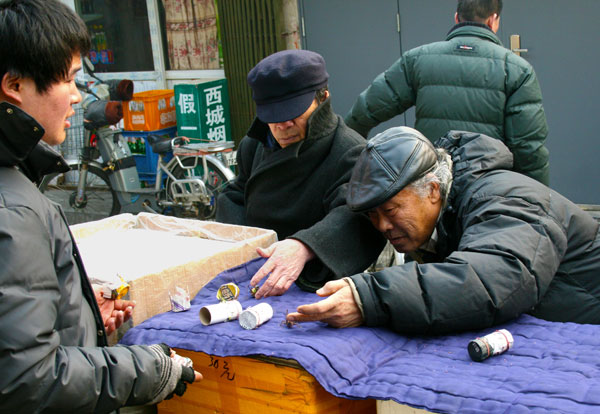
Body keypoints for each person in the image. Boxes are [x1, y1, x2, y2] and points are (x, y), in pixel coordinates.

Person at [0, 1, 200, 412]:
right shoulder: (13, 209)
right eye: (69, 79)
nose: (76, 97)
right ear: (15, 86)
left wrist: (78, 310)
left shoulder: (16, 181)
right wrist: (151, 368)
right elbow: (28, 380)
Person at [287, 126, 600, 334]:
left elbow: (489, 281)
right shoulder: (444, 213)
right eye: (372, 215)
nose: (382, 225)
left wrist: (367, 298)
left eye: (391, 210)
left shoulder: (506, 199)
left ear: (433, 190)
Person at [216, 49, 385, 299]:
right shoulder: (254, 145)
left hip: (309, 281)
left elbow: (355, 216)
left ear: (323, 98)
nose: (283, 125)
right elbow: (237, 192)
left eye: (293, 113)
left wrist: (305, 246)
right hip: (253, 271)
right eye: (273, 116)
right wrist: (246, 245)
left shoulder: (350, 151)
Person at [345, 0, 550, 185]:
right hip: (487, 187)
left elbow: (365, 111)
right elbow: (528, 149)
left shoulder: (418, 59)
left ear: (456, 18)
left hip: (431, 182)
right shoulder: (517, 70)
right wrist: (536, 199)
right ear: (493, 20)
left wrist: (353, 160)